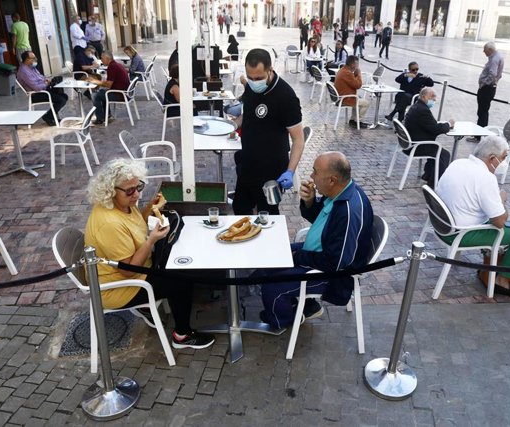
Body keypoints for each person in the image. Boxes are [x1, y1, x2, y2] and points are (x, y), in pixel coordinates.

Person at [85, 159, 215, 349]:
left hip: (134, 270)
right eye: (130, 190)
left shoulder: (121, 205)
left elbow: (136, 225)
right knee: (181, 279)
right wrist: (151, 240)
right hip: (119, 287)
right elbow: (128, 270)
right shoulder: (109, 223)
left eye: (138, 187)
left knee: (178, 264)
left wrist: (151, 208)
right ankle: (182, 336)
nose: (136, 194)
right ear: (111, 191)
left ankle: (150, 306)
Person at [258, 152, 374, 330]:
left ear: (332, 180)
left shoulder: (348, 212)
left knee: (271, 287)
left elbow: (336, 263)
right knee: (272, 258)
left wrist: (300, 257)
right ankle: (308, 305)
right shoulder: (340, 192)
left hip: (333, 275)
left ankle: (283, 320)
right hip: (317, 253)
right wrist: (310, 201)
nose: (311, 176)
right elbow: (324, 224)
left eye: (315, 172)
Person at [436, 137, 510, 297]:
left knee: (489, 215)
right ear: (491, 158)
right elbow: (500, 222)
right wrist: (501, 200)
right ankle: (503, 279)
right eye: (503, 158)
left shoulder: (457, 163)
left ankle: (491, 262)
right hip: (461, 235)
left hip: (441, 226)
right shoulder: (486, 178)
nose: (503, 162)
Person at [231, 49, 304, 215]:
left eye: (258, 78)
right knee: (240, 208)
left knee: (268, 213)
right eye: (250, 77)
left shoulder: (286, 96)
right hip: (249, 162)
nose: (254, 81)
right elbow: (248, 113)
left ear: (270, 70)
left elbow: (298, 139)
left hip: (271, 169)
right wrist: (234, 124)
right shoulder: (251, 86)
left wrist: (290, 171)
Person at [403, 87, 453, 188]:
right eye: (432, 97)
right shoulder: (423, 110)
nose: (434, 100)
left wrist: (441, 125)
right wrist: (448, 124)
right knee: (444, 154)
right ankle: (435, 183)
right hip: (416, 146)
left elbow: (430, 125)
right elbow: (435, 128)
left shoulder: (416, 106)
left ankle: (428, 175)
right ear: (424, 96)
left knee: (435, 148)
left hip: (409, 142)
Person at [16, 51, 68, 126]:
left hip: (43, 90)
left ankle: (52, 116)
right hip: (36, 94)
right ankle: (48, 117)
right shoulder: (24, 71)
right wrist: (46, 83)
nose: (36, 59)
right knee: (61, 100)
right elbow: (36, 87)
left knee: (64, 95)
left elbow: (41, 77)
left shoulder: (31, 67)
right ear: (27, 60)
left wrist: (47, 80)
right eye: (33, 58)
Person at [471, 41, 504, 141]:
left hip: (487, 89)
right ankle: (481, 134)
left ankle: (479, 135)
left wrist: (483, 83)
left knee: (482, 112)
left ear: (490, 50)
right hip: (490, 88)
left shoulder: (494, 59)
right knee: (484, 111)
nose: (483, 52)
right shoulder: (498, 56)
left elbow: (492, 74)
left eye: (484, 50)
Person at [87, 51, 130, 125]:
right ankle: (107, 114)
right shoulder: (117, 64)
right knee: (102, 92)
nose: (101, 60)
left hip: (121, 94)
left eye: (102, 58)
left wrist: (95, 81)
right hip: (126, 92)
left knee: (95, 95)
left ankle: (100, 119)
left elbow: (108, 85)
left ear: (107, 58)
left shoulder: (112, 67)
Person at [334, 55, 370, 129]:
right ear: (353, 64)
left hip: (340, 97)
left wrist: (355, 75)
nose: (358, 66)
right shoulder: (347, 73)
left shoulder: (342, 70)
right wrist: (359, 74)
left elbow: (351, 81)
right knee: (366, 103)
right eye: (357, 64)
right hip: (344, 99)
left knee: (357, 99)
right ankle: (358, 122)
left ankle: (353, 120)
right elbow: (358, 85)